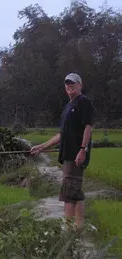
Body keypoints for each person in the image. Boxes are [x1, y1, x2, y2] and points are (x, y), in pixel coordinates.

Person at [30, 73, 95, 229]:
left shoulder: (83, 102)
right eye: (67, 83)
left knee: (69, 193)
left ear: (80, 85)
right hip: (68, 155)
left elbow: (88, 127)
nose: (69, 85)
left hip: (75, 154)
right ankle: (79, 225)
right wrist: (41, 147)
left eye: (72, 83)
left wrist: (82, 150)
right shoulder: (68, 107)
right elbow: (62, 134)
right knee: (75, 190)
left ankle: (68, 229)